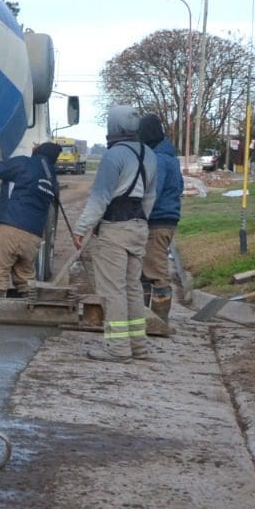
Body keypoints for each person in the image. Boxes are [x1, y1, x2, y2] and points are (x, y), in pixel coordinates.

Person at [74, 105, 157, 362]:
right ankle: (138, 346)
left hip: (115, 227)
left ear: (113, 128)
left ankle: (118, 348)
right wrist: (138, 221)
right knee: (132, 287)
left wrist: (81, 228)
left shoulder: (114, 156)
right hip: (139, 226)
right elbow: (150, 197)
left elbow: (100, 198)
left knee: (113, 289)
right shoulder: (149, 155)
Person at [0, 140, 61, 297]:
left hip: (11, 228)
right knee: (26, 279)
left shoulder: (23, 163)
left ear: (37, 151)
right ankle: (29, 312)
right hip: (33, 237)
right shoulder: (52, 179)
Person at [139, 113, 183, 324]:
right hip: (166, 220)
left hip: (157, 221)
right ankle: (144, 316)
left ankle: (158, 321)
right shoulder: (170, 157)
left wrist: (137, 217)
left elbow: (151, 193)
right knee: (145, 271)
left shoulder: (157, 159)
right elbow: (180, 187)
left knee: (156, 271)